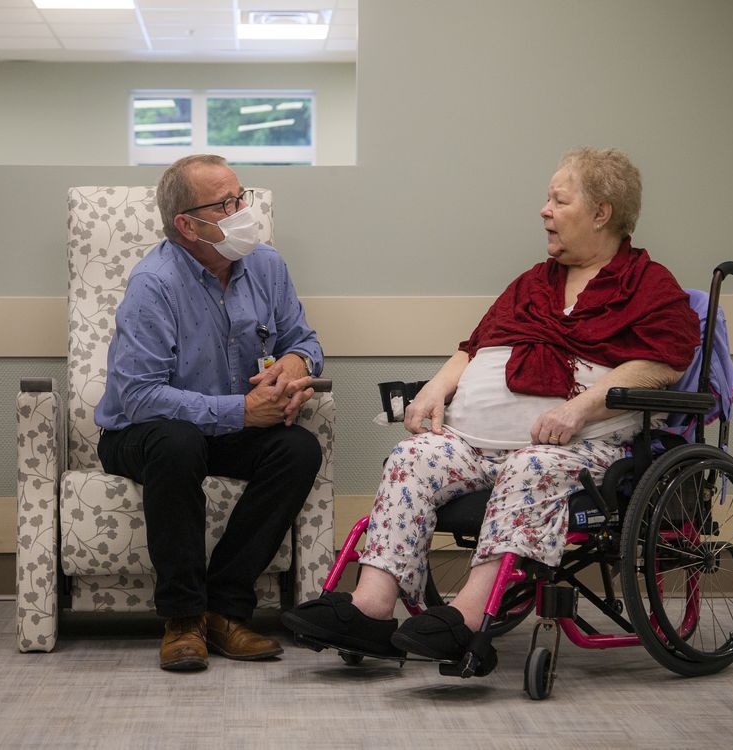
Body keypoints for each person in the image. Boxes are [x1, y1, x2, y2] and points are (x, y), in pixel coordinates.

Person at [283, 147, 699, 662]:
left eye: (558, 200)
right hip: (478, 445)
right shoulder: (534, 281)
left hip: (580, 448)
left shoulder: (647, 284)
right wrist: (436, 388)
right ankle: (371, 608)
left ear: (601, 213)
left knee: (531, 464)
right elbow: (475, 347)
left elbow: (664, 363)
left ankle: (470, 618)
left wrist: (580, 407)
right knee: (412, 457)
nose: (543, 209)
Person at [95, 154, 324, 672]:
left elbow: (304, 340)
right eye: (226, 204)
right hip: (140, 434)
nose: (244, 211)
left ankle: (224, 609)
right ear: (187, 225)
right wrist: (241, 411)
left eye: (241, 197)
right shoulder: (153, 284)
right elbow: (140, 397)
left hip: (225, 427)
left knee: (298, 450)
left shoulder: (266, 265)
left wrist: (295, 361)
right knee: (178, 442)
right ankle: (182, 619)